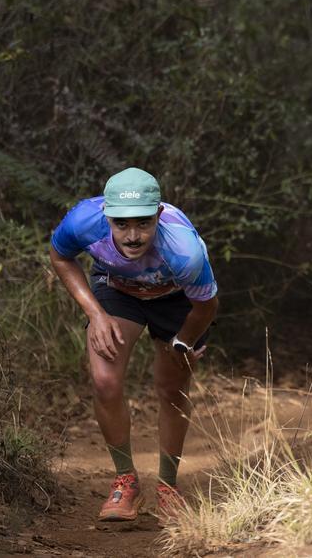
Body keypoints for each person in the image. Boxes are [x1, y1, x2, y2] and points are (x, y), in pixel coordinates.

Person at [48, 167, 218, 522]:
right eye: (122, 224)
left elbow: (206, 305)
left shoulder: (184, 250)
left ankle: (168, 487)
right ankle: (125, 481)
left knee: (172, 388)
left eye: (143, 223)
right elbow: (60, 256)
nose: (133, 236)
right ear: (107, 216)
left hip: (176, 300)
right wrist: (95, 314)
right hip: (117, 290)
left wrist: (183, 344)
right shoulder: (84, 221)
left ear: (158, 215)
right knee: (105, 380)